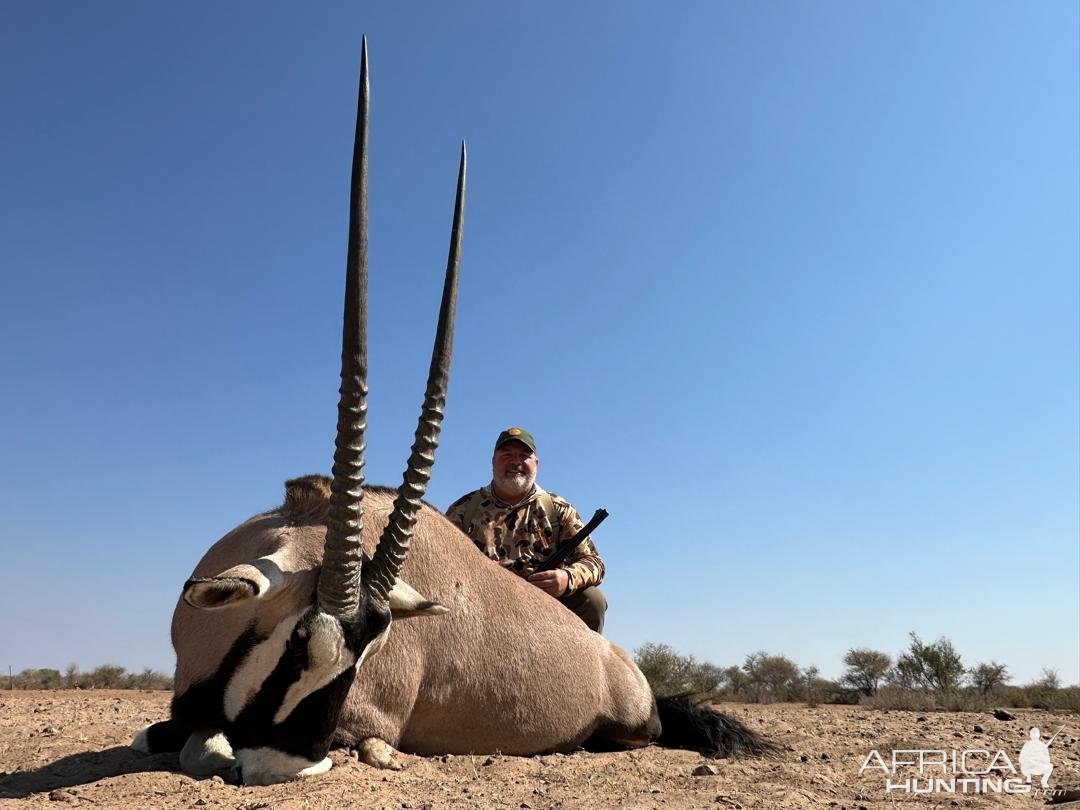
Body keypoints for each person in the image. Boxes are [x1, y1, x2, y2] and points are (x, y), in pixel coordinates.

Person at [445, 427, 607, 633]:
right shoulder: (464, 509)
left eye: (524, 455)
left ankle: (585, 664)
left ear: (536, 464)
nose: (516, 462)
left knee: (592, 601)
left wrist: (567, 578)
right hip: (482, 602)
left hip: (546, 601)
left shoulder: (557, 508)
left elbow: (595, 562)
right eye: (507, 455)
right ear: (493, 461)